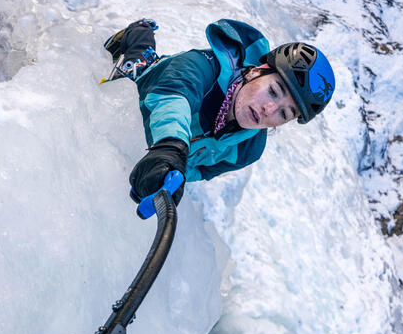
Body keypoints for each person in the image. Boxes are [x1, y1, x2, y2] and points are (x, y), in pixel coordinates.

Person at [102, 19, 336, 207]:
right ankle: (140, 29)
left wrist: (172, 173)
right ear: (258, 71)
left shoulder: (248, 150)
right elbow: (173, 96)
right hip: (150, 84)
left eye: (285, 114)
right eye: (273, 91)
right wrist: (171, 147)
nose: (269, 110)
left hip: (162, 150)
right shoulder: (202, 66)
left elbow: (203, 171)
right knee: (138, 59)